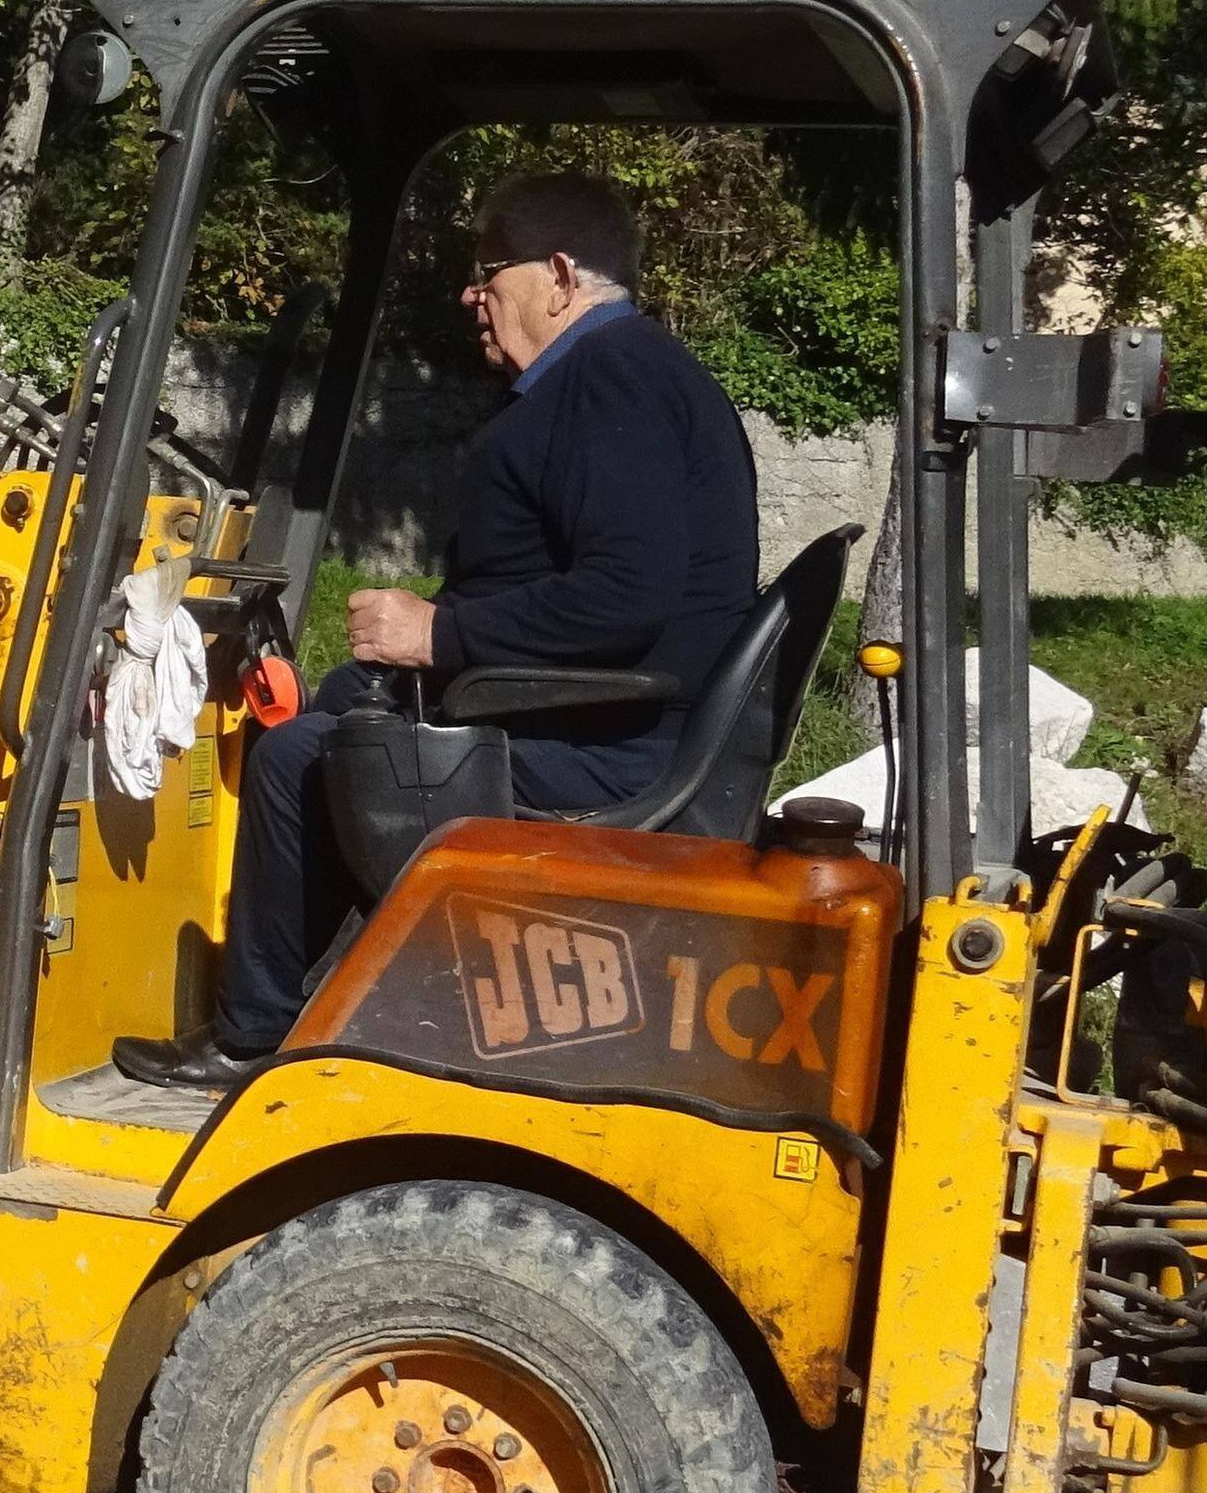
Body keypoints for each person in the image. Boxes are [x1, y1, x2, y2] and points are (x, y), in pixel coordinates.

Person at [114, 175, 759, 1095]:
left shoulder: (613, 380)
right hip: (605, 715)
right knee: (338, 701)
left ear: (562, 276)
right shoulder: (621, 374)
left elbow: (626, 596)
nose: (472, 295)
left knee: (299, 754)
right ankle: (328, 994)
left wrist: (439, 636)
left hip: (616, 745)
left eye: (489, 272)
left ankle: (254, 1037)